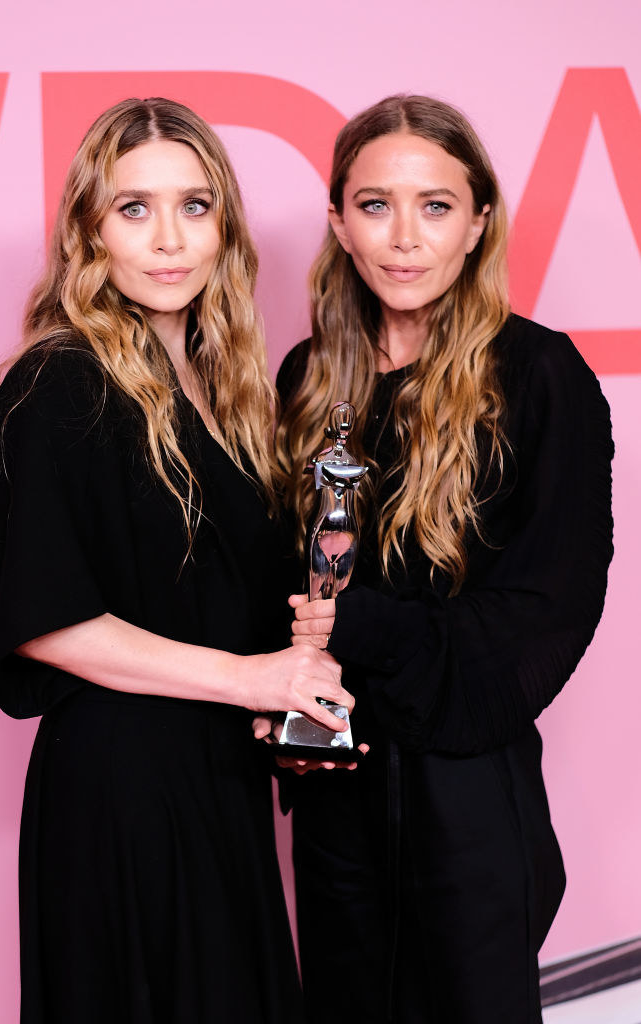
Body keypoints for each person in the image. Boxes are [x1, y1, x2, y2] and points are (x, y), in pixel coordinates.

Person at [0, 97, 353, 1024]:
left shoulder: (228, 394)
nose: (169, 238)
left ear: (223, 225)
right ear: (89, 232)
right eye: (133, 208)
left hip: (214, 779)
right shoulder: (59, 381)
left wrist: (283, 695)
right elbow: (49, 622)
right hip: (118, 796)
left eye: (194, 206)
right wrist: (253, 677)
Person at [269, 95, 614, 1024]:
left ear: (479, 222)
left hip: (467, 796)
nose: (403, 237)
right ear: (339, 223)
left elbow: (548, 608)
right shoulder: (305, 378)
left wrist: (363, 625)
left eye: (435, 205)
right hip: (336, 793)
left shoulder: (538, 374)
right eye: (375, 205)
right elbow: (278, 578)